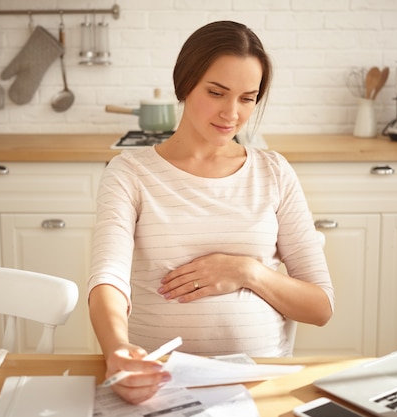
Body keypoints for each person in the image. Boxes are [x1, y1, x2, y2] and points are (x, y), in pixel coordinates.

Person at [87, 20, 334, 404]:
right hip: (158, 383)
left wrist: (246, 271)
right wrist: (117, 350)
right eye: (216, 92)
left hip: (259, 386)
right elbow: (109, 280)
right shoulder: (130, 172)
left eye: (247, 98)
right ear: (185, 83)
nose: (231, 113)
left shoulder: (274, 171)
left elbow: (320, 307)